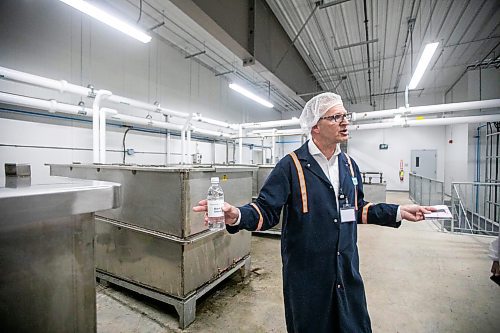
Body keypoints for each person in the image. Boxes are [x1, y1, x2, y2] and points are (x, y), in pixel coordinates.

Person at [193, 92, 435, 332]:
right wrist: (236, 215)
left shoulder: (349, 165)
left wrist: (399, 211)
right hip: (307, 277)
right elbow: (266, 210)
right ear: (315, 126)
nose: (345, 121)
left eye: (345, 115)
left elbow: (358, 210)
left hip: (346, 270)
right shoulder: (291, 165)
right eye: (335, 117)